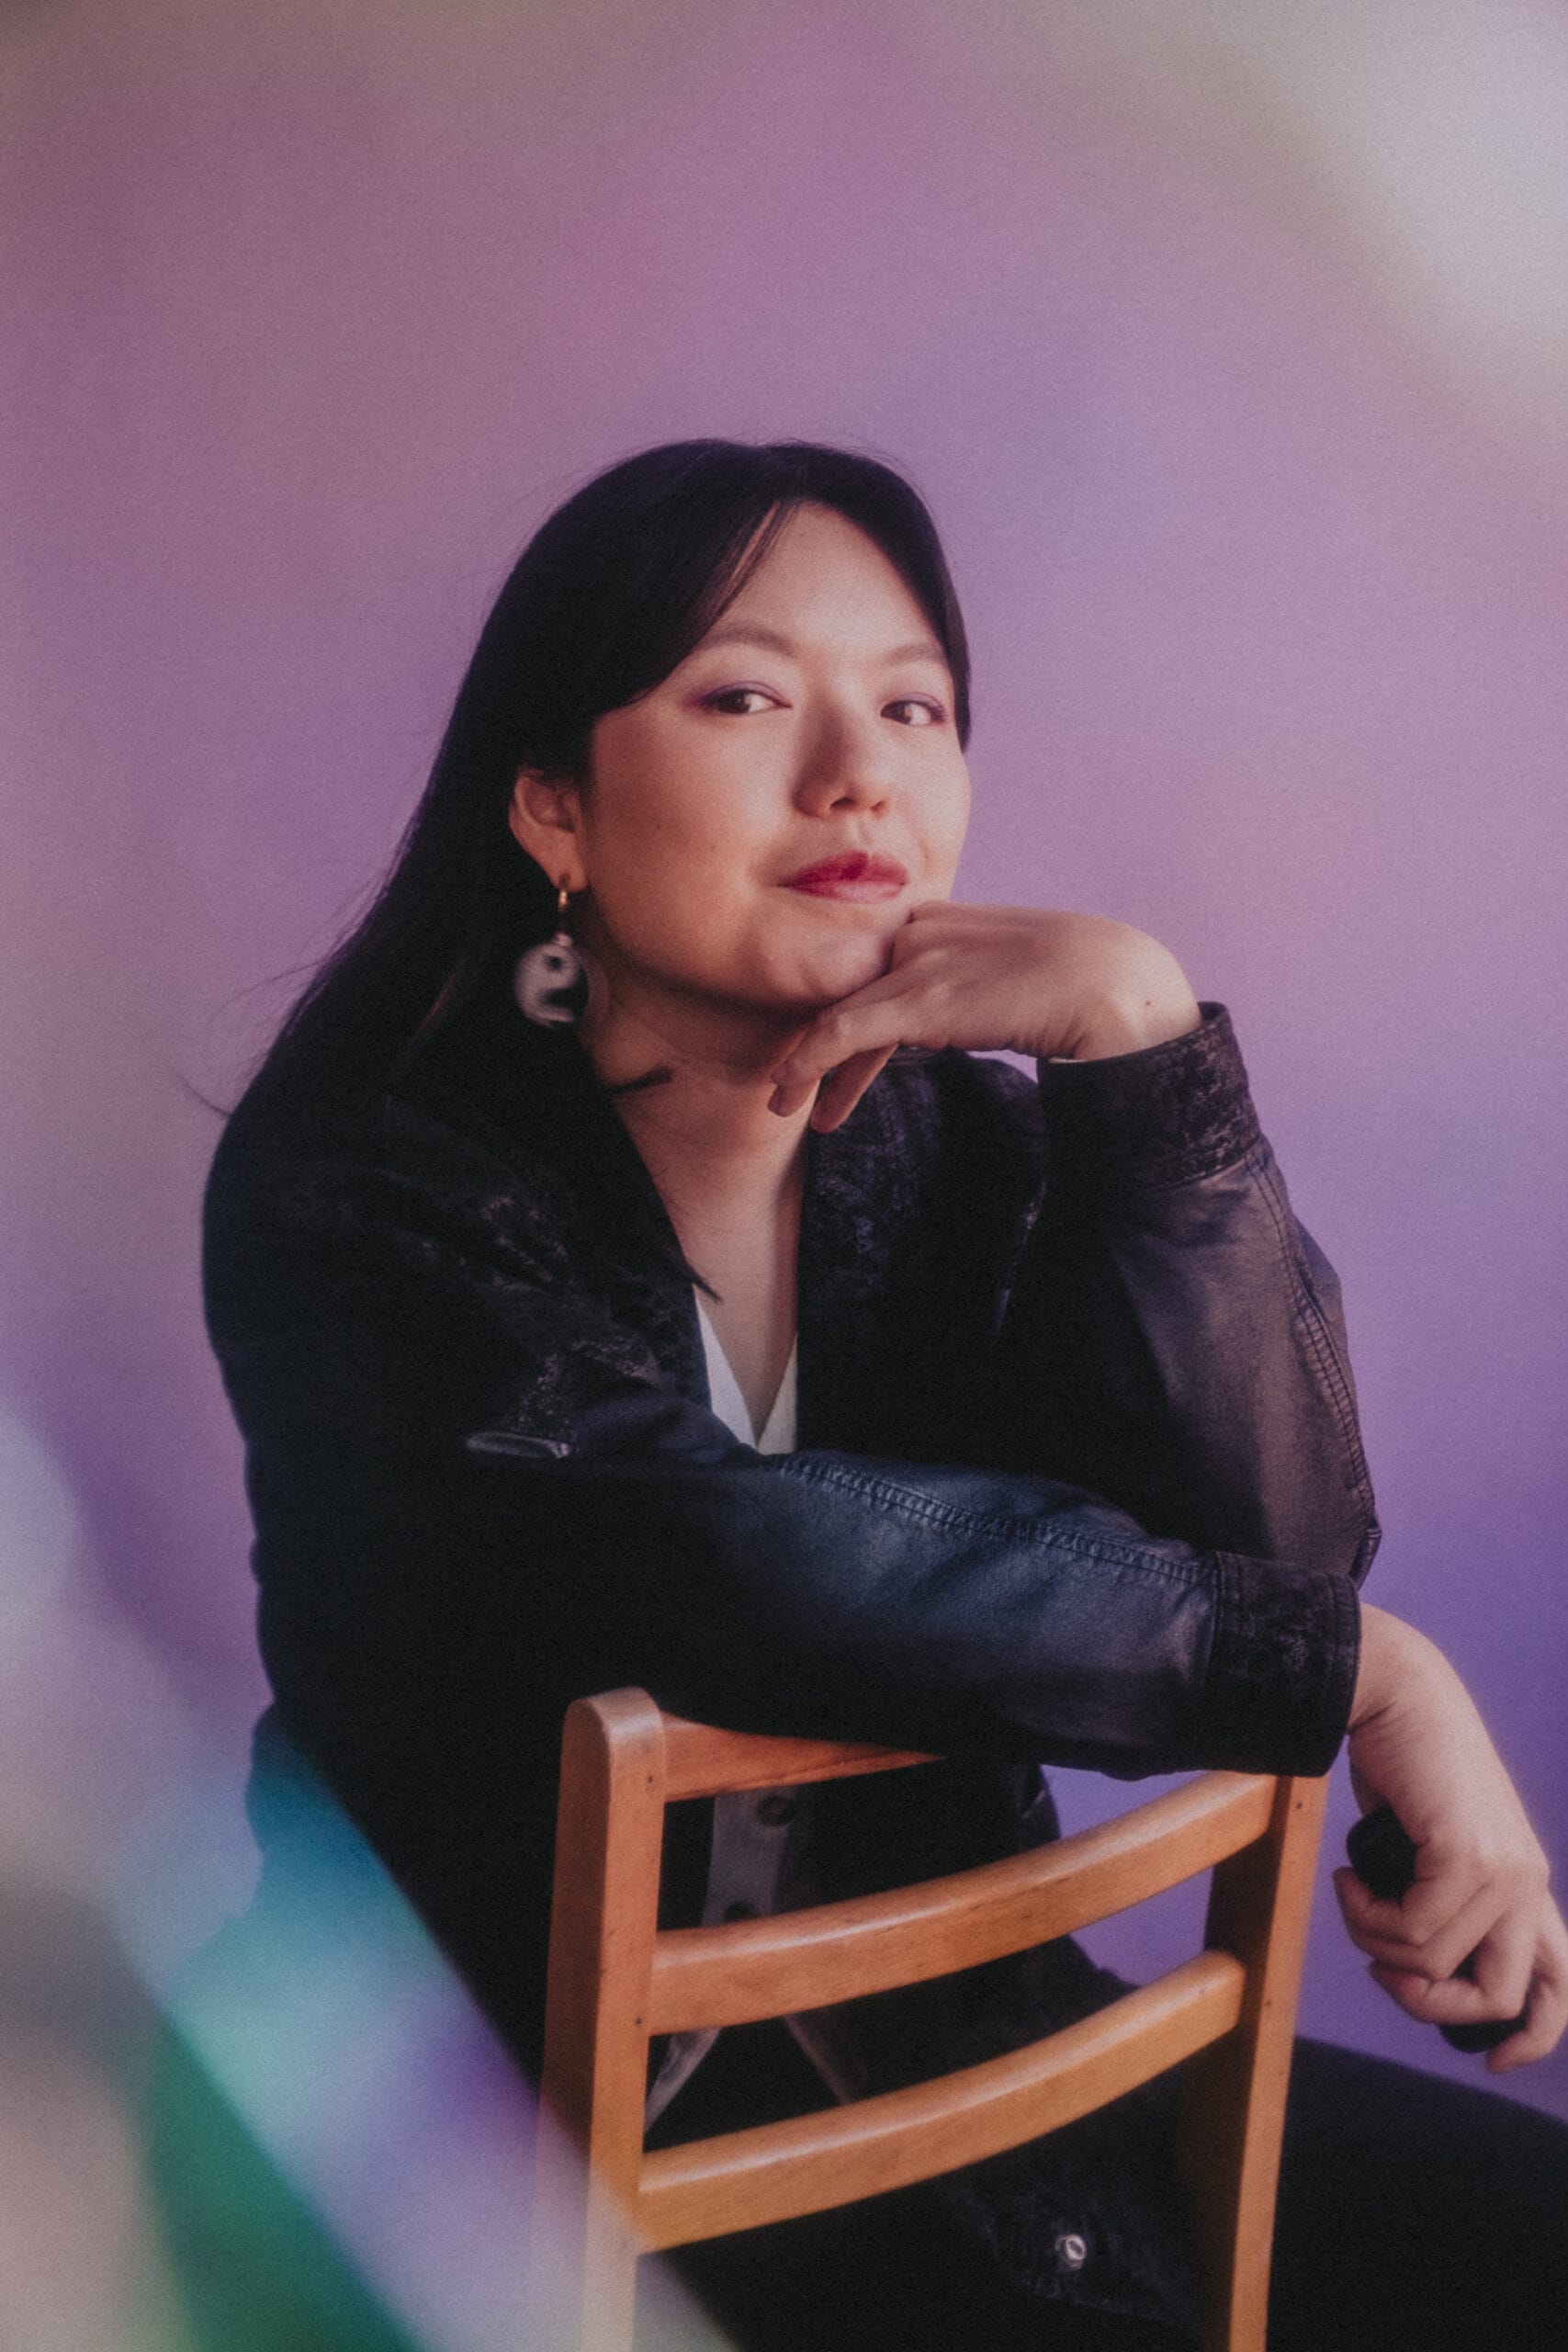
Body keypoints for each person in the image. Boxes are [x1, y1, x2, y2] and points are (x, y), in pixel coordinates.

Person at [203, 440, 1568, 2348]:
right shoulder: (361, 1185)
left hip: (977, 2079)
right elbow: (728, 1564)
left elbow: (1262, 1534)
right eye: (745, 694)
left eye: (912, 706)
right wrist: (1360, 1666)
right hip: (511, 2177)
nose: (858, 772)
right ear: (551, 806)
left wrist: (1139, 1055)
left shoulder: (965, 1142)